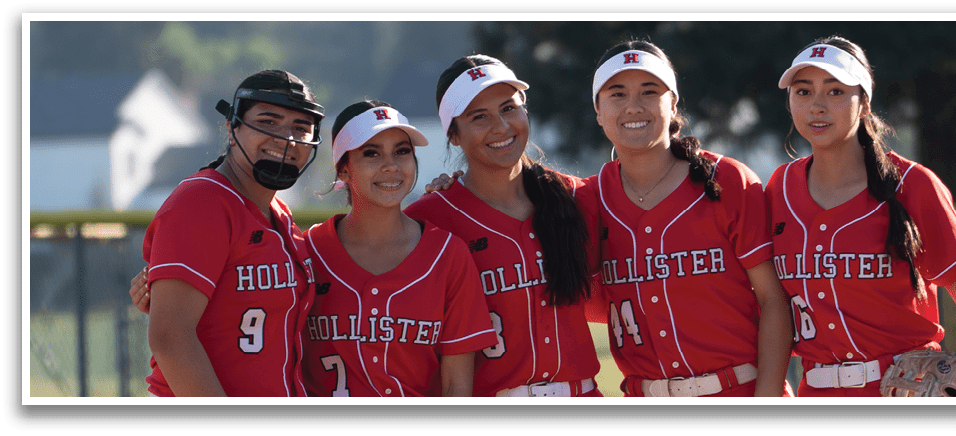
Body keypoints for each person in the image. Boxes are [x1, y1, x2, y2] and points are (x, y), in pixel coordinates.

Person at [769, 35, 956, 397]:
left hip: (905, 389)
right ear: (790, 103)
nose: (817, 105)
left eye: (835, 91)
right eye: (803, 91)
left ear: (864, 102)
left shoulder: (913, 185)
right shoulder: (779, 188)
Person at [587, 40, 794, 397]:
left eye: (649, 91)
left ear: (673, 103)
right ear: (598, 112)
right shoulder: (587, 199)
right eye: (617, 94)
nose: (634, 106)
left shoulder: (726, 180)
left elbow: (774, 301)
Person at [404, 55, 604, 397]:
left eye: (509, 108)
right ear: (452, 134)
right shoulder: (429, 220)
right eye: (479, 116)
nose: (500, 127)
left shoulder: (575, 198)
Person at [140, 70, 324, 396]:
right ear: (231, 126)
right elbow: (170, 338)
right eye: (268, 121)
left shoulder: (278, 213)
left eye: (301, 127)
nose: (286, 138)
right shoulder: (202, 201)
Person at [301, 100, 497, 397]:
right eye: (371, 153)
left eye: (402, 151)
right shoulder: (306, 252)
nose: (391, 164)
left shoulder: (448, 255)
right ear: (343, 169)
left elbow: (457, 387)